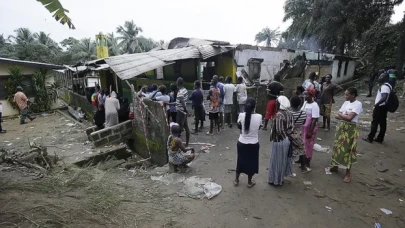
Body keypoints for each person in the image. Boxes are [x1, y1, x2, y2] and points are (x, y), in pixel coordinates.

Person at [329, 88, 363, 183]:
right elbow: (337, 115)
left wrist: (342, 116)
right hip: (341, 127)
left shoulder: (358, 104)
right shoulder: (346, 103)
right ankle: (335, 166)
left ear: (353, 95)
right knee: (337, 147)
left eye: (347, 95)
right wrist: (344, 116)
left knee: (348, 151)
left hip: (350, 129)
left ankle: (348, 173)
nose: (345, 96)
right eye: (345, 94)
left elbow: (350, 118)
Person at [234, 98, 262, 188]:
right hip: (254, 143)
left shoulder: (241, 115)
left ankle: (236, 180)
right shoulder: (259, 116)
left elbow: (239, 126)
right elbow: (259, 128)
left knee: (240, 161)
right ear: (255, 106)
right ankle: (249, 182)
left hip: (242, 142)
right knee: (252, 163)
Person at [268, 96, 294, 186]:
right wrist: (287, 137)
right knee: (282, 161)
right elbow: (292, 127)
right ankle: (280, 179)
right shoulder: (289, 113)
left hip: (279, 140)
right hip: (286, 139)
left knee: (276, 160)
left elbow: (279, 130)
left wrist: (283, 137)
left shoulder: (279, 115)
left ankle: (275, 180)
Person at [363, 73, 390, 143]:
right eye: (380, 75)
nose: (380, 77)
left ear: (386, 78)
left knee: (375, 122)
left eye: (382, 76)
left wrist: (377, 105)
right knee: (382, 123)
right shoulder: (388, 85)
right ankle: (380, 138)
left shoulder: (384, 86)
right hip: (383, 107)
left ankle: (370, 138)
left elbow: (384, 97)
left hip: (380, 107)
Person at [301, 88, 320, 170]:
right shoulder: (305, 103)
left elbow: (314, 119)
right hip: (303, 127)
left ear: (312, 96)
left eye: (307, 94)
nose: (305, 96)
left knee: (308, 144)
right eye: (304, 94)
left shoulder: (315, 105)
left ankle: (307, 161)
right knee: (302, 143)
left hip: (309, 127)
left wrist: (310, 131)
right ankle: (301, 158)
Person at [290, 96, 307, 172]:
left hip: (289, 134)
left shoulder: (289, 113)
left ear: (291, 103)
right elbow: (303, 122)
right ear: (300, 104)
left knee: (289, 151)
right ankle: (303, 167)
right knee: (301, 150)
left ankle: (288, 168)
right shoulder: (303, 113)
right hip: (298, 134)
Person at [176, 77, 190, 147]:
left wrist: (185, 109)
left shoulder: (180, 92)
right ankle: (186, 144)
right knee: (186, 127)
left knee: (179, 129)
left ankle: (179, 146)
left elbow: (182, 101)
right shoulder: (185, 90)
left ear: (177, 83)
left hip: (181, 111)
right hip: (183, 111)